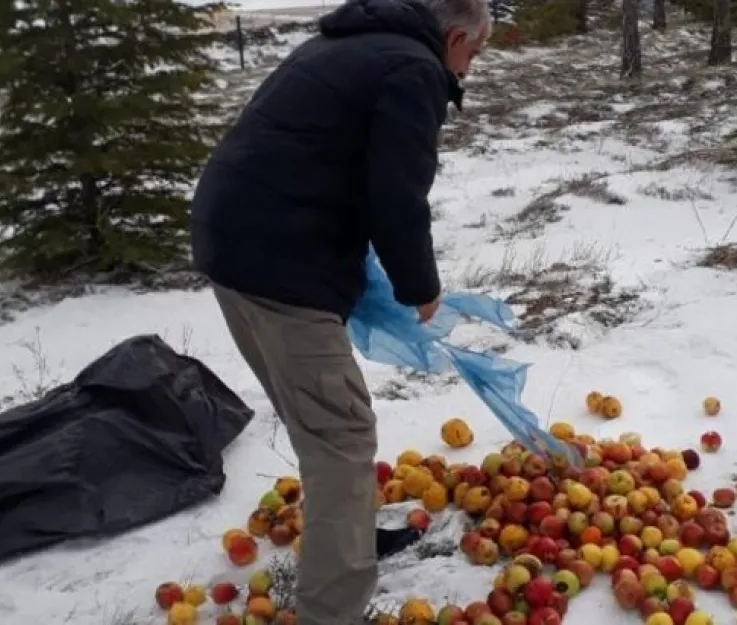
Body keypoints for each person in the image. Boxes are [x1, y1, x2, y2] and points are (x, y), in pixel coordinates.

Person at [189, 0, 492, 622]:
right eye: (475, 54)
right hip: (279, 261)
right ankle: (334, 609)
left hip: (230, 240)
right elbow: (397, 195)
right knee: (342, 435)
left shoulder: (348, 42)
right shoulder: (413, 68)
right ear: (456, 36)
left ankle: (345, 538)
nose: (470, 68)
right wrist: (419, 286)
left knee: (319, 421)